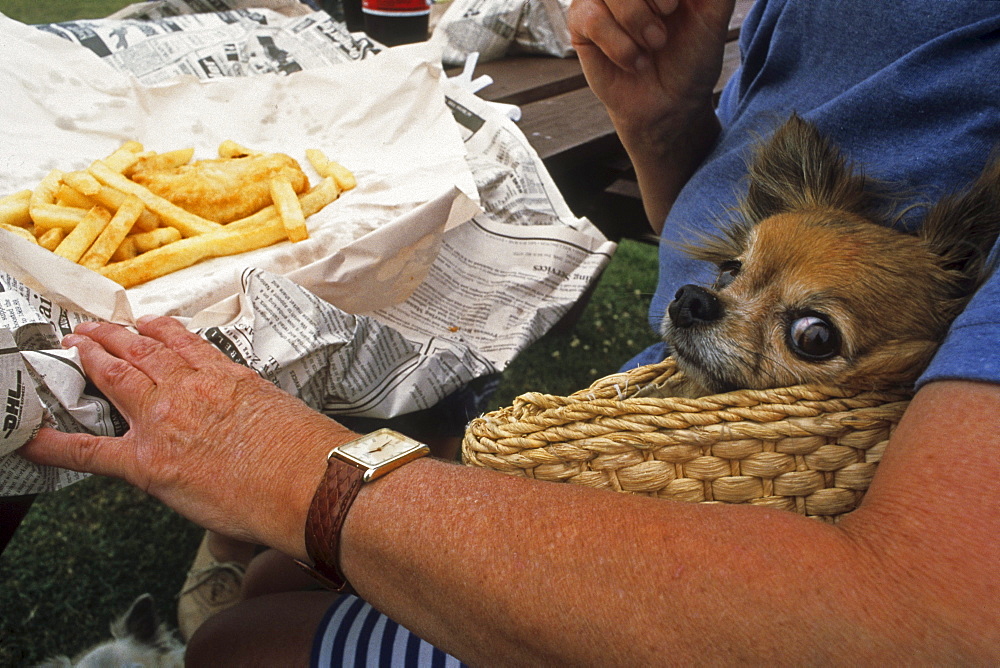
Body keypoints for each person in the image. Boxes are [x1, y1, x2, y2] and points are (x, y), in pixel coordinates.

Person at [20, 0, 1000, 664]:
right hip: (636, 443)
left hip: (748, 542)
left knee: (241, 646)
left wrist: (290, 467)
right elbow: (704, 280)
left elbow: (926, 626)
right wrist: (661, 127)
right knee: (276, 572)